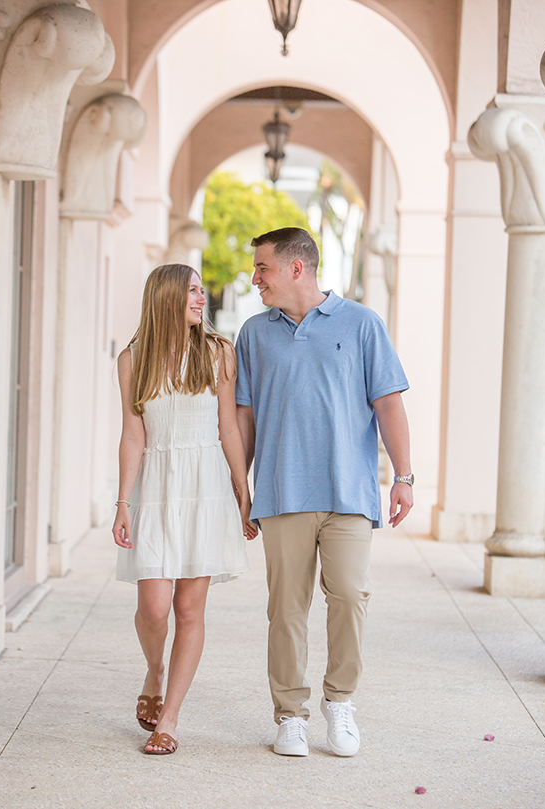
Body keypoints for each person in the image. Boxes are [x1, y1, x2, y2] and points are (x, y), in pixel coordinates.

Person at [234, 227, 413, 759]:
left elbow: (389, 404)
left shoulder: (361, 324)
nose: (255, 278)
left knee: (351, 597)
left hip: (350, 491)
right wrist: (238, 487)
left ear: (296, 268)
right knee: (286, 607)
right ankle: (290, 715)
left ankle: (341, 703)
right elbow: (244, 416)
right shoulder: (253, 333)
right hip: (282, 490)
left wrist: (403, 476)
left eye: (262, 267)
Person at [112, 263, 258, 756]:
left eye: (201, 291)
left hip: (206, 486)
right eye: (193, 291)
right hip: (156, 485)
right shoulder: (133, 359)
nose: (202, 299)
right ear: (168, 298)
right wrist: (123, 501)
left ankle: (169, 718)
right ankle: (154, 670)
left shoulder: (218, 353)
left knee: (189, 608)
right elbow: (134, 433)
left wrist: (242, 491)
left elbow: (229, 428)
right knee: (153, 608)